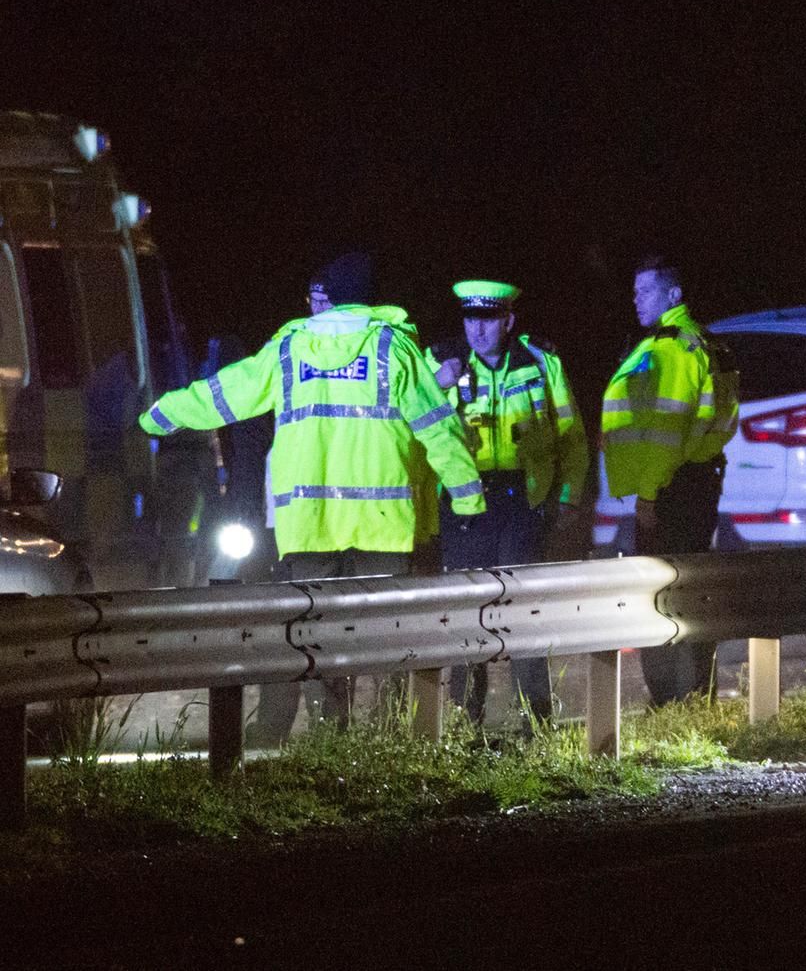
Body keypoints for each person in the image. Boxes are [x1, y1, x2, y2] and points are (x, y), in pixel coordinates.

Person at [138, 251, 484, 732]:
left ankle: (330, 734)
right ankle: (386, 740)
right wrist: (468, 496)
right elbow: (437, 427)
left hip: (308, 525)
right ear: (370, 298)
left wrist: (160, 414)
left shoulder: (290, 348)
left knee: (317, 637)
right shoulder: (392, 348)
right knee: (390, 638)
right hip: (382, 527)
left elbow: (226, 394)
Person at [429, 279, 589, 727]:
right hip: (466, 504)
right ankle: (466, 721)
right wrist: (440, 386)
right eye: (470, 319)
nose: (477, 330)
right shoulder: (440, 363)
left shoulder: (540, 363)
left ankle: (536, 718)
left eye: (488, 319)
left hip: (524, 503)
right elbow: (413, 430)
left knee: (524, 611)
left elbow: (571, 438)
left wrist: (568, 497)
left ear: (509, 321)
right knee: (468, 612)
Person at [602, 254, 739, 705]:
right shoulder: (698, 341)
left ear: (673, 295)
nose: (635, 299)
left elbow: (665, 433)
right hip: (694, 484)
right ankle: (696, 696)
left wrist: (648, 497)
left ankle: (672, 701)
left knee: (660, 597)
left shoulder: (670, 348)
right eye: (635, 290)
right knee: (692, 594)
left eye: (646, 291)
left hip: (672, 490)